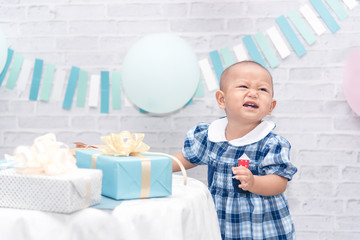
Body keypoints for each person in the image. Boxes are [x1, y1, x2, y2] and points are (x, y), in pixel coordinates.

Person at [173, 60, 298, 240]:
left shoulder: (271, 144)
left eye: (262, 89)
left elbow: (279, 183)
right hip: (221, 221)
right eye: (243, 86)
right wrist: (156, 164)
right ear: (222, 100)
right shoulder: (211, 136)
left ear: (271, 106)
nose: (253, 93)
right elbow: (187, 158)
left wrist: (254, 182)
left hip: (260, 226)